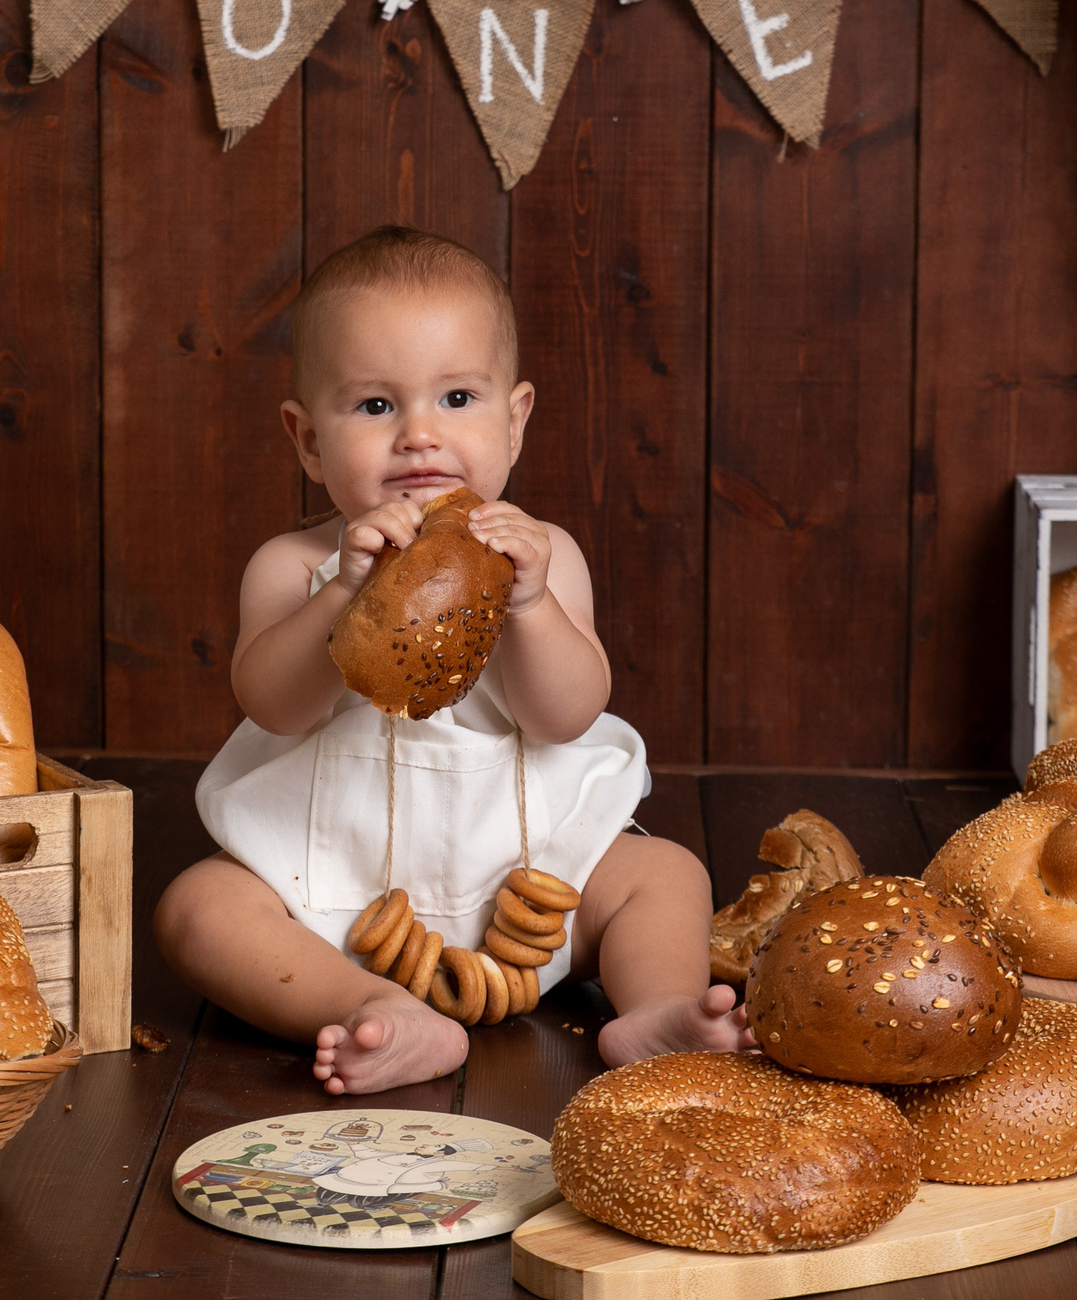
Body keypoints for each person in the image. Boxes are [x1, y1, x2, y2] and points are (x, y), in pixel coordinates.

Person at [155, 225, 753, 1094]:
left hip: (532, 892)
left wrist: (533, 605)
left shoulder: (540, 556)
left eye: (459, 400)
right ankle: (375, 1008)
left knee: (664, 873)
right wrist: (340, 596)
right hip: (338, 900)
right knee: (196, 912)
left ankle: (655, 1009)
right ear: (308, 440)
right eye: (375, 407)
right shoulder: (294, 567)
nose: (420, 438)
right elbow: (273, 705)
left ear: (514, 424)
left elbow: (566, 716)